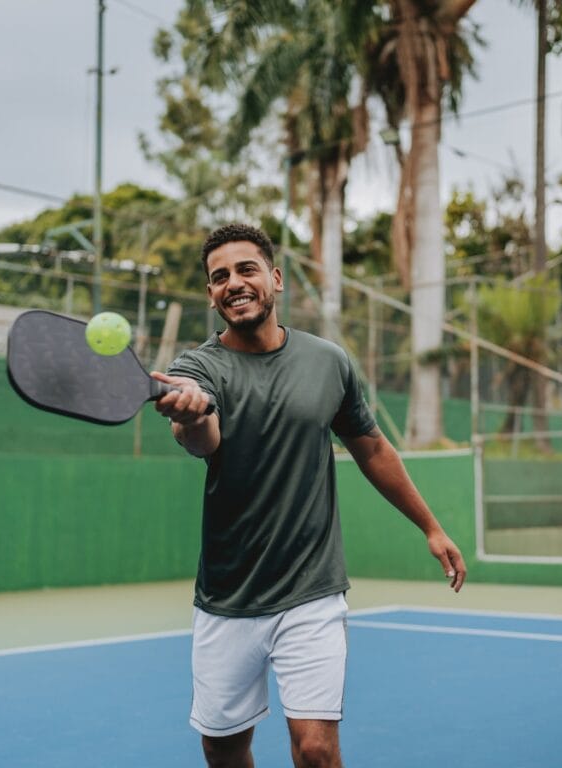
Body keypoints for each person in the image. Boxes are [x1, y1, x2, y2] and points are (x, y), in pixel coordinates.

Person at [151, 223, 467, 768]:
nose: (233, 283)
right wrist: (194, 413)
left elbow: (371, 448)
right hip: (228, 596)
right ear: (210, 294)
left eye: (246, 269)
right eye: (219, 276)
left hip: (311, 588)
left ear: (274, 279)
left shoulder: (329, 361)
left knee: (317, 749)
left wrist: (431, 526)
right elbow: (201, 439)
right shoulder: (196, 369)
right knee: (224, 751)